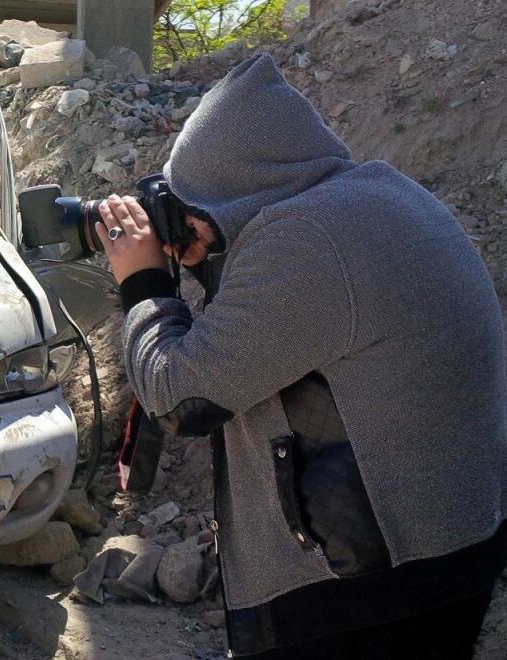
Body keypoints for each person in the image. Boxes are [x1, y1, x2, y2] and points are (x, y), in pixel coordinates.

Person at [95, 53, 507, 659]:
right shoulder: (377, 197)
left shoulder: (305, 241)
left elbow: (179, 398)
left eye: (195, 215)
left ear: (234, 192)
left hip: (374, 583)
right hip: (446, 547)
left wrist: (144, 284)